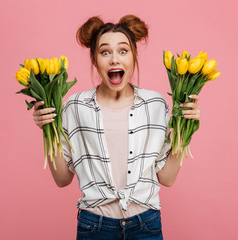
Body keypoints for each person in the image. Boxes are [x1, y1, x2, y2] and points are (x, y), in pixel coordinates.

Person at [32, 15, 201, 240]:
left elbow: (167, 178)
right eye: (105, 52)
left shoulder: (155, 104)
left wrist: (185, 126)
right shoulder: (75, 106)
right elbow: (62, 179)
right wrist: (48, 128)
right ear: (94, 59)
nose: (114, 59)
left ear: (134, 57)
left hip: (146, 224)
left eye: (123, 51)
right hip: (94, 225)